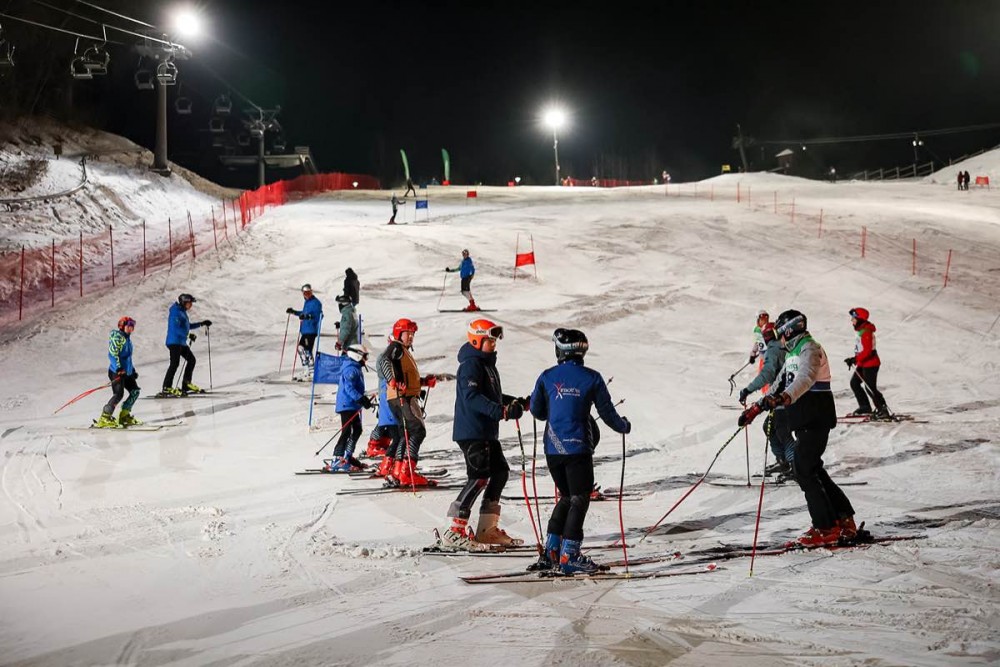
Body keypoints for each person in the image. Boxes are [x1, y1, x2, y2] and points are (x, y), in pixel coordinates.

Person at [740, 309, 857, 547]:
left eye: (779, 333)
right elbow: (779, 383)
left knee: (803, 469)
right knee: (812, 468)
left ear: (788, 331)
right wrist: (757, 408)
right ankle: (843, 518)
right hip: (804, 418)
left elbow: (805, 378)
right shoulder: (793, 352)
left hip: (816, 415)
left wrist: (783, 398)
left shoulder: (809, 348)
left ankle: (826, 527)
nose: (779, 338)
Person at [529, 328, 631, 574]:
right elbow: (608, 413)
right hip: (578, 448)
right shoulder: (592, 378)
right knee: (579, 498)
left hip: (553, 448)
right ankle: (570, 555)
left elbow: (536, 411)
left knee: (567, 496)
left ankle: (552, 552)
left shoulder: (547, 376)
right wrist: (623, 426)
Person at [439, 319, 525, 551]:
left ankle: (487, 530)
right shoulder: (471, 365)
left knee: (500, 473)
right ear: (477, 340)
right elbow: (472, 397)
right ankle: (454, 530)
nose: (494, 343)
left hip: (486, 431)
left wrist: (515, 403)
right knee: (478, 477)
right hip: (472, 431)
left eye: (495, 340)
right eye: (489, 340)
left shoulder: (486, 365)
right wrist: (502, 411)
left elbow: (492, 396)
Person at [379, 318, 438, 487]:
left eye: (412, 334)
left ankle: (399, 470)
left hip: (399, 396)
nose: (411, 337)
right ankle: (407, 473)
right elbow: (384, 361)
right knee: (417, 431)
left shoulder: (402, 350)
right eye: (408, 333)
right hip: (403, 397)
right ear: (399, 334)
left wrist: (424, 382)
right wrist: (391, 380)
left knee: (405, 434)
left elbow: (406, 377)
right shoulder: (396, 347)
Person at [738, 322, 793, 476]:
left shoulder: (774, 349)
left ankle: (794, 464)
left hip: (782, 396)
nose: (766, 338)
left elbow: (767, 374)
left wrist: (748, 389)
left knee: (781, 430)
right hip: (783, 395)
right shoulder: (781, 346)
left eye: (767, 335)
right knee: (770, 426)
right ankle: (784, 460)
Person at [324, 345, 373, 472]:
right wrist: (361, 399)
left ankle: (347, 456)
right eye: (365, 356)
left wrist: (363, 399)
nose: (366, 359)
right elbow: (349, 388)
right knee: (346, 431)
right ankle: (337, 459)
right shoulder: (351, 369)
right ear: (357, 355)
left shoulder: (355, 368)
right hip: (346, 405)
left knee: (357, 429)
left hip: (352, 404)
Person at [94, 316, 142, 428]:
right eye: (129, 326)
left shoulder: (127, 339)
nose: (131, 329)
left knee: (135, 391)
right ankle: (105, 417)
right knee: (118, 394)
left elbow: (128, 358)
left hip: (126, 372)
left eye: (132, 327)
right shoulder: (117, 337)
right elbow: (112, 354)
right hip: (116, 372)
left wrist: (132, 370)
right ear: (122, 326)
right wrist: (119, 368)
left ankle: (124, 416)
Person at [161, 293, 211, 396]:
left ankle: (186, 384)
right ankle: (166, 387)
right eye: (189, 303)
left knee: (191, 360)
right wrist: (188, 335)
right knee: (174, 363)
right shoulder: (175, 312)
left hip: (181, 342)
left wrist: (202, 323)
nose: (191, 305)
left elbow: (187, 326)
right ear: (184, 302)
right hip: (174, 342)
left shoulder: (182, 312)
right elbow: (176, 329)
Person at [845, 307, 889, 418]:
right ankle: (865, 407)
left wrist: (855, 359)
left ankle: (882, 409)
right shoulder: (861, 331)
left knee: (870, 388)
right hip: (863, 363)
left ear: (860, 319)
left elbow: (867, 351)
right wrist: (854, 359)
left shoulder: (866, 332)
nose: (852, 320)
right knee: (854, 383)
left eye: (854, 318)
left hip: (871, 364)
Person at [286, 284, 323, 371]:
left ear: (311, 292)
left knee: (306, 350)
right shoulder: (307, 302)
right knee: (300, 349)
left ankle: (312, 369)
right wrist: (294, 312)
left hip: (311, 330)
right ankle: (306, 368)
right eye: (305, 293)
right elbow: (303, 313)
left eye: (308, 292)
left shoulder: (316, 303)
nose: (307, 295)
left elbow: (318, 316)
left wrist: (307, 317)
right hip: (305, 330)